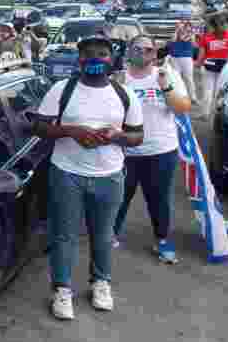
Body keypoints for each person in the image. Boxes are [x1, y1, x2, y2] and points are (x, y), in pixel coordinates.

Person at [32, 33, 144, 320]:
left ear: (111, 60)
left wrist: (115, 137)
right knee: (64, 236)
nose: (94, 59)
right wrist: (72, 131)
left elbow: (138, 136)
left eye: (102, 54)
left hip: (109, 176)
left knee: (104, 235)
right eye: (88, 54)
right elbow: (40, 128)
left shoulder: (125, 94)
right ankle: (61, 290)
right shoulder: (61, 90)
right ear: (79, 60)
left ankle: (100, 283)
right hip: (66, 173)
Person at [113, 36, 191, 262]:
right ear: (129, 51)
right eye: (138, 48)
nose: (144, 53)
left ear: (154, 53)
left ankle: (162, 240)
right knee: (118, 198)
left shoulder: (167, 75)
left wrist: (164, 85)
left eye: (149, 49)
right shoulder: (118, 78)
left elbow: (183, 108)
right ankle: (109, 236)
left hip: (161, 150)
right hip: (125, 151)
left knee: (159, 199)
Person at [196, 13, 228, 118]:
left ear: (212, 26)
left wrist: (198, 64)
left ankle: (205, 114)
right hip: (225, 68)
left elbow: (201, 55)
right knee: (220, 91)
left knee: (207, 91)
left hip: (209, 67)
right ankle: (217, 114)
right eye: (224, 24)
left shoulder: (206, 38)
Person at [167, 21, 198, 102]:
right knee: (176, 77)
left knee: (189, 78)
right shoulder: (175, 34)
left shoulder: (191, 35)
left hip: (187, 58)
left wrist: (189, 34)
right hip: (175, 58)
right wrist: (177, 31)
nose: (181, 27)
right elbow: (173, 40)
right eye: (177, 26)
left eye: (182, 26)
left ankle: (192, 97)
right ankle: (178, 95)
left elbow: (193, 44)